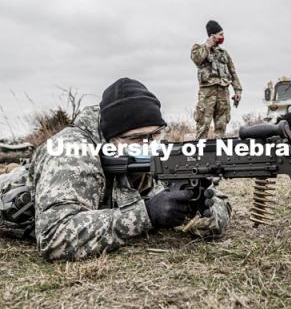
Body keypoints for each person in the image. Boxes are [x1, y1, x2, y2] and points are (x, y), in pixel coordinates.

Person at [0, 78, 231, 261]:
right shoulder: (70, 151)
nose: (149, 145)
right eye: (137, 138)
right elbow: (54, 236)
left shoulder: (148, 150)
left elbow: (222, 204)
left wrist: (199, 209)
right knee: (14, 176)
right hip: (17, 194)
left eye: (155, 134)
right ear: (111, 139)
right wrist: (146, 214)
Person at [191, 20, 242, 139]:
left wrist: (238, 91)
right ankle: (200, 152)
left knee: (221, 125)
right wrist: (207, 46)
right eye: (220, 34)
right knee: (203, 124)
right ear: (212, 35)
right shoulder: (198, 48)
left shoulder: (224, 53)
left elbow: (233, 72)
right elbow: (197, 59)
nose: (223, 37)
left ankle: (220, 153)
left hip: (223, 92)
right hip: (207, 93)